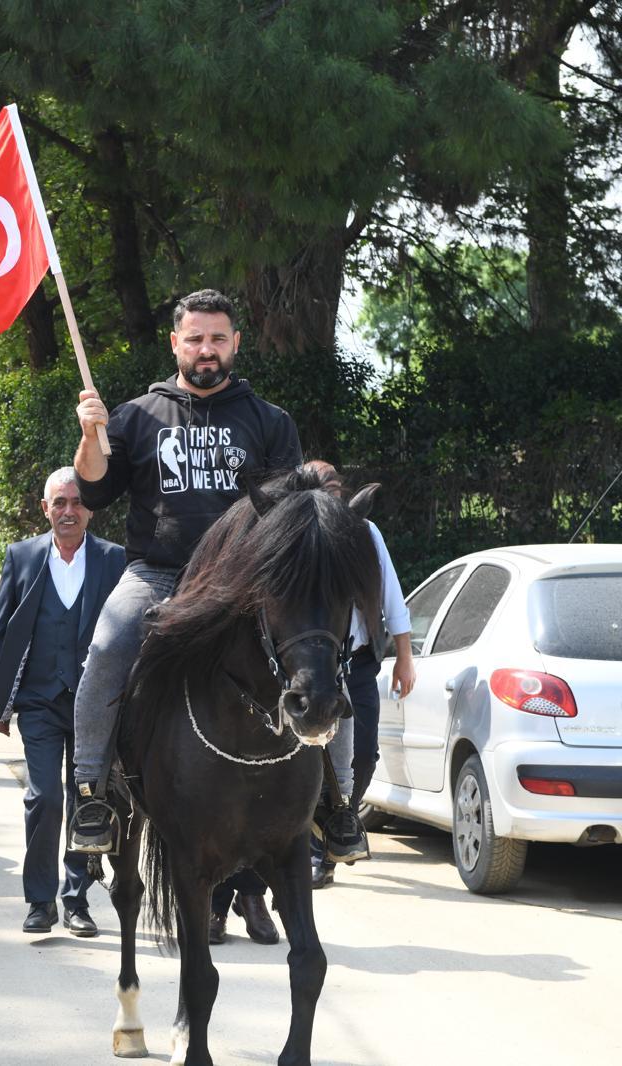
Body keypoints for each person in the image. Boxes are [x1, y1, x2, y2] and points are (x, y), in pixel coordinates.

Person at [67, 289, 302, 941]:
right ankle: (90, 799)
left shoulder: (268, 420)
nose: (207, 349)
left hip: (242, 582)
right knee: (106, 648)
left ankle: (335, 808)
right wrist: (92, 435)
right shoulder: (138, 415)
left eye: (218, 338)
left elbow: (285, 512)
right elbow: (93, 488)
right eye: (195, 338)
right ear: (175, 343)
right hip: (158, 573)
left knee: (313, 657)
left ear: (235, 344)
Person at [0, 468, 125, 936]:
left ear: (90, 508)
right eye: (59, 503)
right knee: (45, 798)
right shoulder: (21, 557)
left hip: (94, 706)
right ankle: (40, 899)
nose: (69, 511)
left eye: (77, 502)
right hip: (40, 701)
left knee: (88, 800)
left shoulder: (114, 559)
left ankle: (77, 898)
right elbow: (3, 633)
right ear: (45, 508)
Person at [304, 460, 417, 887]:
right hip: (312, 665)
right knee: (310, 757)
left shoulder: (365, 533)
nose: (328, 492)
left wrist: (404, 656)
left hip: (358, 663)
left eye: (333, 485)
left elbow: (392, 595)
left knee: (362, 756)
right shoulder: (298, 533)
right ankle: (319, 847)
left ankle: (339, 820)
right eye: (318, 486)